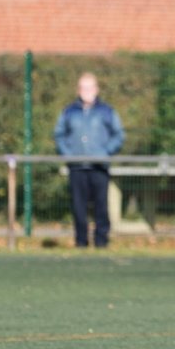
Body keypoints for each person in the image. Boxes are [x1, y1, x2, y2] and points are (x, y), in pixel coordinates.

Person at [53, 73, 124, 248]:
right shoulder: (69, 112)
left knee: (101, 205)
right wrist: (68, 155)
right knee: (78, 207)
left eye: (90, 87)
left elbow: (119, 134)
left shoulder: (106, 111)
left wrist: (105, 153)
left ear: (96, 89)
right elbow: (59, 135)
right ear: (78, 90)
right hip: (77, 167)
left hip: (99, 167)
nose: (87, 91)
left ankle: (101, 241)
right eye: (83, 88)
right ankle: (81, 241)